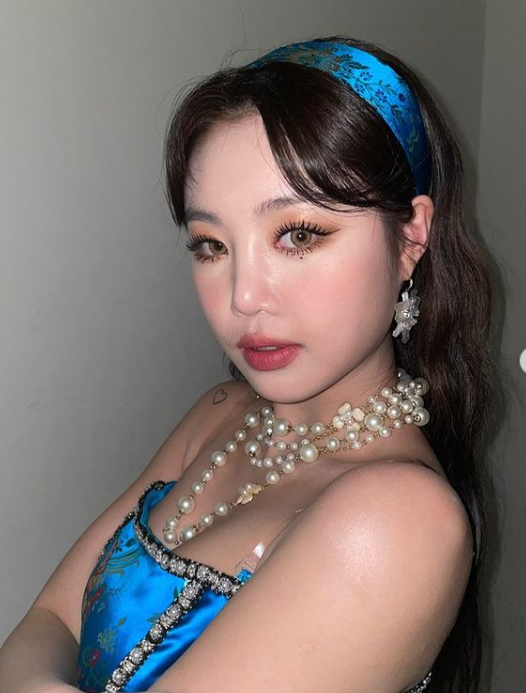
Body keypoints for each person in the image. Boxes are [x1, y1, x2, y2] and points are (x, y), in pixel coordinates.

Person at [0, 35, 504, 693]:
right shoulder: (219, 414)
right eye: (211, 245)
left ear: (411, 238)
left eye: (298, 234)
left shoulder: (399, 520)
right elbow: (47, 619)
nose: (242, 297)